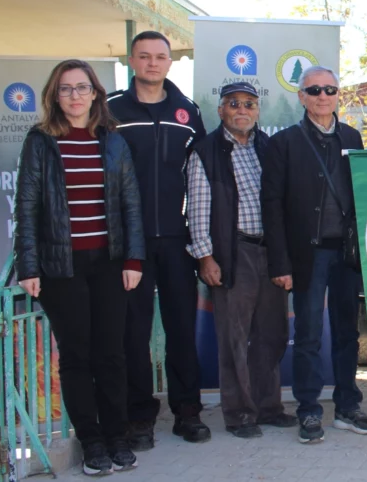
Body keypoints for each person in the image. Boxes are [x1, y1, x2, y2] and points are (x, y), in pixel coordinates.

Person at [14, 59, 145, 475]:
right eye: (66, 88)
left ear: (95, 94)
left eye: (82, 87)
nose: (75, 95)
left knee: (112, 353)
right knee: (76, 357)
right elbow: (28, 205)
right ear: (55, 95)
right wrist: (29, 266)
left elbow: (130, 203)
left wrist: (133, 258)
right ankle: (91, 441)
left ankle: (117, 436)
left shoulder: (113, 140)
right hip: (60, 267)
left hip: (109, 263)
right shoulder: (40, 141)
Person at [262, 66, 367, 444]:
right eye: (314, 90)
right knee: (309, 335)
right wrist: (280, 263)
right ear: (302, 97)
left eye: (329, 89)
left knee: (347, 333)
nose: (323, 96)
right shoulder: (284, 144)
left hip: (345, 257)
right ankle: (309, 411)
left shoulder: (351, 136)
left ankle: (348, 406)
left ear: (337, 94)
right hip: (306, 257)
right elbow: (272, 208)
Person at [108, 31, 210, 448]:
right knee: (132, 333)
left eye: (161, 57)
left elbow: (201, 176)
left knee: (182, 330)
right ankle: (139, 416)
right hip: (127, 244)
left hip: (175, 239)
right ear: (132, 60)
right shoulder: (110, 109)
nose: (153, 64)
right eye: (145, 57)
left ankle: (187, 413)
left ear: (171, 63)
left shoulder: (186, 111)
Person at [186, 82, 293, 439]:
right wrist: (206, 257)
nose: (243, 109)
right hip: (233, 252)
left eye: (250, 103)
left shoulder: (267, 147)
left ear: (257, 111)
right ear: (221, 110)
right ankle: (239, 414)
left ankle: (268, 407)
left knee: (272, 334)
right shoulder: (205, 151)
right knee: (234, 338)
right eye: (234, 103)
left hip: (271, 252)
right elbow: (198, 210)